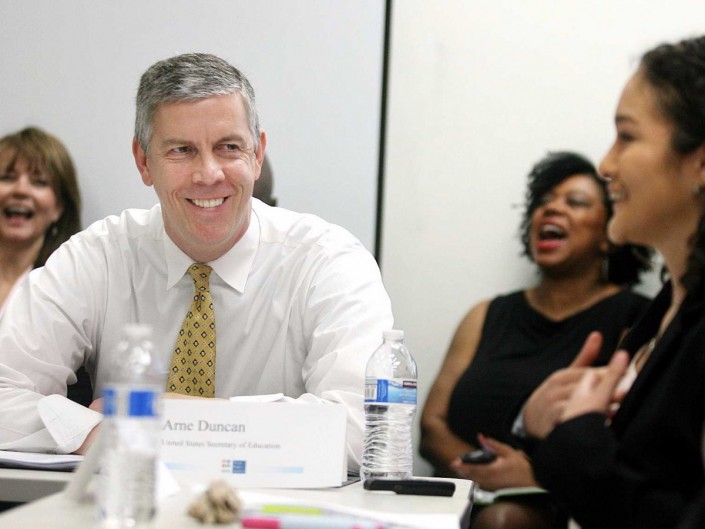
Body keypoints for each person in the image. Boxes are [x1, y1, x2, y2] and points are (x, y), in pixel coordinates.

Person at [0, 53, 393, 472]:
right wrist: (109, 437)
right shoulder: (98, 257)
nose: (208, 174)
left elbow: (369, 429)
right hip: (128, 500)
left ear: (257, 154)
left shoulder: (328, 262)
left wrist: (181, 420)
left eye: (229, 147)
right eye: (182, 150)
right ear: (143, 161)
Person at [520, 35, 705, 529]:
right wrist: (543, 421)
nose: (606, 164)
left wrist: (576, 442)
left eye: (627, 136)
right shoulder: (666, 306)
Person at [420, 152, 651, 529]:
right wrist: (485, 473)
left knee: (503, 520)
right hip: (457, 498)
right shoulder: (485, 315)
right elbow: (432, 425)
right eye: (543, 202)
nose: (551, 209)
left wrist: (534, 478)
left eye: (575, 202)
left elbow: (627, 449)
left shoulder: (635, 320)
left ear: (609, 236)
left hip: (558, 508)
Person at [0, 127, 91, 408]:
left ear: (59, 207)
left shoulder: (70, 287)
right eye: (7, 178)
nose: (20, 190)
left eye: (39, 182)